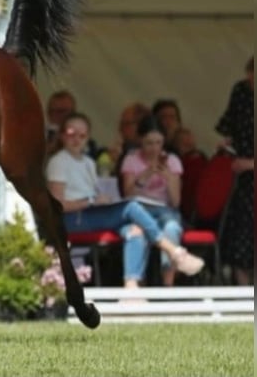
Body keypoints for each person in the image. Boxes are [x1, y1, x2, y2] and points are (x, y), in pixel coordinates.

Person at [47, 112, 204, 289]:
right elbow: (57, 205)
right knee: (131, 206)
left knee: (135, 230)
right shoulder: (58, 162)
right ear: (62, 135)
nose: (76, 139)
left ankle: (131, 285)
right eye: (71, 133)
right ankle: (175, 252)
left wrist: (101, 201)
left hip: (88, 214)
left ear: (88, 137)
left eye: (82, 135)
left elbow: (175, 201)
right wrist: (91, 201)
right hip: (73, 219)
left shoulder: (88, 162)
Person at [120, 116, 186, 286]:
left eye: (158, 143)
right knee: (137, 232)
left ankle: (168, 283)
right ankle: (137, 284)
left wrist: (170, 179)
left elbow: (176, 202)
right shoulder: (131, 160)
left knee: (172, 228)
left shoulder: (172, 161)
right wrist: (146, 175)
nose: (154, 148)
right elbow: (127, 196)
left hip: (165, 210)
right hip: (138, 211)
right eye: (149, 143)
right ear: (140, 140)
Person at [215, 56, 254, 285]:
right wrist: (227, 142)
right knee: (241, 235)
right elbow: (231, 123)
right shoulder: (240, 91)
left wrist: (251, 163)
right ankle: (244, 291)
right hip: (244, 182)